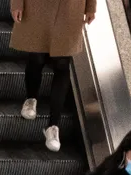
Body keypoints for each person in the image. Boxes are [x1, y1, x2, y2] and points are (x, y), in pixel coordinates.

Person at [10, 0, 95, 151]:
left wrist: (90, 7)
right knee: (36, 56)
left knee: (62, 64)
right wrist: (17, 4)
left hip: (71, 9)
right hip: (37, 6)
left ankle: (53, 125)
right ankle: (31, 98)